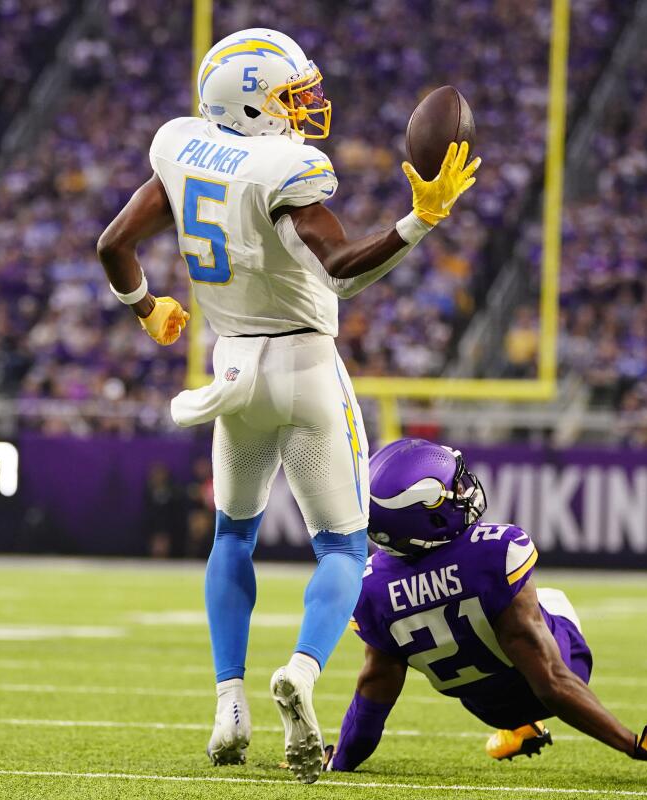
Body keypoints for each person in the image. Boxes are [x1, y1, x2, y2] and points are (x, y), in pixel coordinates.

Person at [95, 29, 480, 783]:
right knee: (342, 548)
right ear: (248, 102)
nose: (305, 105)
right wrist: (421, 219)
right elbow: (339, 272)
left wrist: (147, 309)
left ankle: (228, 702)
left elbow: (114, 243)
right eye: (288, 95)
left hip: (231, 369)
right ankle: (301, 673)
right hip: (303, 365)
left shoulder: (180, 147)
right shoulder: (286, 167)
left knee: (232, 537)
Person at [325, 439, 647, 771]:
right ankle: (526, 722)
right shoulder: (496, 552)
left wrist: (338, 760)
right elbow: (552, 684)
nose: (463, 489)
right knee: (550, 600)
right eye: (453, 487)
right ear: (428, 515)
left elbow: (373, 693)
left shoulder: (370, 587)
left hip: (485, 707)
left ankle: (520, 726)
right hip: (554, 678)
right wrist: (632, 743)